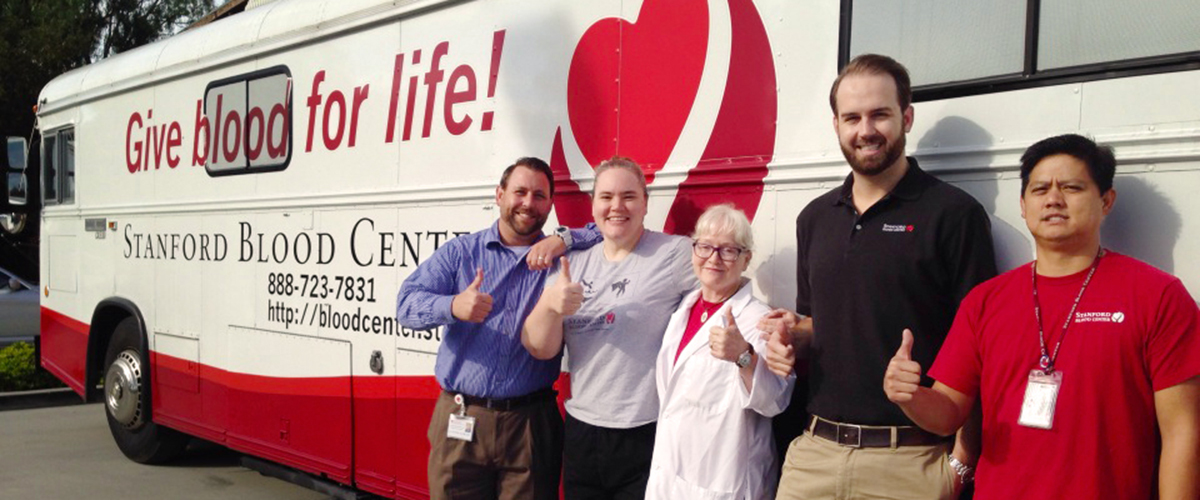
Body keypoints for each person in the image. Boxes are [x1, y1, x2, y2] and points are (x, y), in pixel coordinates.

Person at [884, 134, 1200, 500]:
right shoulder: (985, 301)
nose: (1053, 199)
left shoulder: (1157, 295)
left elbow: (1183, 431)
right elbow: (948, 412)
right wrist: (909, 396)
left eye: (1071, 187)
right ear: (1022, 204)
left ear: (1106, 200)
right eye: (1039, 189)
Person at [761, 53, 998, 500]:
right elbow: (818, 323)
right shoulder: (815, 218)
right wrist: (791, 334)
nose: (865, 130)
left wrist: (963, 462)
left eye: (879, 114)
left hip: (910, 462)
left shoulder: (953, 214)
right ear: (836, 125)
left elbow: (983, 349)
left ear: (906, 117)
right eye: (851, 117)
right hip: (814, 455)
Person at [394, 157, 599, 500]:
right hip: (461, 418)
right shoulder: (461, 253)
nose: (528, 203)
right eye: (519, 192)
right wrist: (453, 306)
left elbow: (603, 230)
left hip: (530, 425)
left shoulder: (558, 260)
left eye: (539, 195)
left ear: (550, 204)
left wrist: (563, 238)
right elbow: (405, 305)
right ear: (499, 194)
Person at [522, 157, 696, 499]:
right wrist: (551, 306)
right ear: (593, 205)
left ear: (645, 203)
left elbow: (723, 291)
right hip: (581, 430)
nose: (617, 206)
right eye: (606, 197)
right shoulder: (572, 262)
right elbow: (540, 347)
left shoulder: (674, 254)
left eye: (629, 196)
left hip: (644, 430)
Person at [645, 204, 795, 500]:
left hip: (724, 481)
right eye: (705, 247)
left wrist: (744, 356)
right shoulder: (684, 308)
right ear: (693, 251)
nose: (713, 258)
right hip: (669, 476)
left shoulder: (760, 321)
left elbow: (775, 402)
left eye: (728, 250)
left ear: (746, 259)